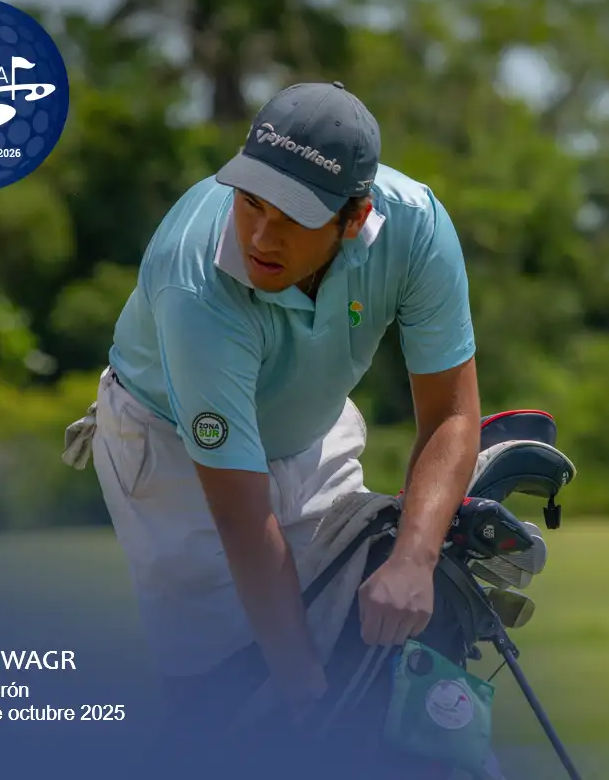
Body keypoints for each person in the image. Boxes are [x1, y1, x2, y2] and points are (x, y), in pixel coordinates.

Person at [82, 80, 482, 743]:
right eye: (251, 202)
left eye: (294, 218)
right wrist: (304, 695)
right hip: (171, 450)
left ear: (354, 218)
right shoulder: (195, 280)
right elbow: (242, 517)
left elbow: (451, 415)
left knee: (352, 637)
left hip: (312, 426)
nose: (261, 238)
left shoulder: (417, 226)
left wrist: (415, 558)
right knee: (224, 684)